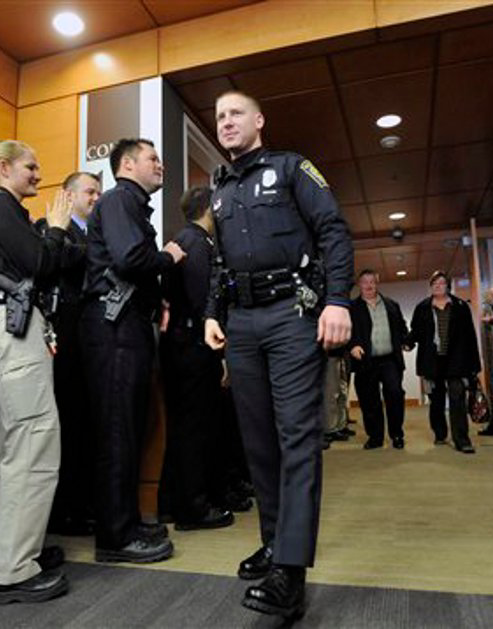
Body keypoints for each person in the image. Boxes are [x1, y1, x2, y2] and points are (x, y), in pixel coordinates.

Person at [204, 90, 352, 619]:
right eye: (220, 116)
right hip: (242, 323)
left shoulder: (292, 168)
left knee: (296, 438)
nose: (226, 122)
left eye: (235, 113)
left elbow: (333, 231)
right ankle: (273, 544)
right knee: (259, 442)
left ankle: (290, 571)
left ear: (259, 120)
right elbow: (220, 262)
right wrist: (212, 312)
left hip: (292, 314)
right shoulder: (220, 190)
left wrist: (338, 299)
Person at [0, 139, 78, 604]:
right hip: (14, 328)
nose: (38, 174)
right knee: (32, 441)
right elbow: (40, 263)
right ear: (3, 168)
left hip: (9, 328)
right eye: (30, 166)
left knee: (12, 445)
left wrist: (50, 237)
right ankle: (11, 569)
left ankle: (7, 555)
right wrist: (56, 230)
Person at [80, 138, 184, 564]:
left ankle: (125, 522)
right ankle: (115, 538)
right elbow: (130, 259)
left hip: (125, 325)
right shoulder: (120, 199)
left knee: (127, 429)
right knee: (117, 431)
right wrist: (168, 257)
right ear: (126, 164)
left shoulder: (129, 204)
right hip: (114, 328)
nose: (160, 165)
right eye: (152, 158)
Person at [158, 185, 233, 531]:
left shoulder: (180, 240)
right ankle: (194, 509)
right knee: (196, 429)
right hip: (194, 347)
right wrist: (221, 354)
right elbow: (205, 303)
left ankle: (171, 505)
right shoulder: (200, 245)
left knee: (181, 429)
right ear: (209, 209)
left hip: (177, 345)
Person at [49, 171, 101, 536]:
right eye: (90, 192)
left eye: (99, 192)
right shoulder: (54, 229)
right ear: (68, 195)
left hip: (89, 343)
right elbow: (62, 263)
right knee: (68, 427)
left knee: (86, 427)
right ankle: (66, 512)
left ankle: (82, 506)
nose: (96, 198)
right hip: (65, 343)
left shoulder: (91, 235)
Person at [405, 270, 481, 453]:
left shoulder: (460, 306)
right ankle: (440, 433)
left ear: (448, 286)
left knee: (457, 397)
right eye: (434, 284)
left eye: (441, 283)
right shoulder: (423, 307)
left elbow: (470, 336)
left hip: (456, 360)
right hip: (432, 361)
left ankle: (462, 439)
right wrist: (408, 343)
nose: (438, 286)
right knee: (436, 400)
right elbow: (416, 331)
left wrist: (474, 365)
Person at [348, 270, 409, 449]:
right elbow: (346, 331)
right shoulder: (352, 308)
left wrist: (405, 341)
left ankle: (396, 434)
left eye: (372, 281)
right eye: (365, 282)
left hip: (390, 360)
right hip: (365, 361)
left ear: (377, 283)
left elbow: (402, 327)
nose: (368, 285)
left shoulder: (391, 305)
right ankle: (375, 437)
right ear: (359, 285)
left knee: (395, 394)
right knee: (369, 400)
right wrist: (352, 346)